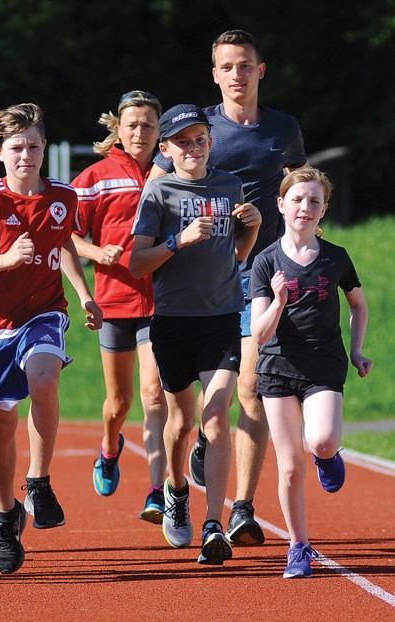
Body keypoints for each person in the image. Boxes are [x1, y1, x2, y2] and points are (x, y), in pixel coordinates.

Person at [148, 29, 307, 546]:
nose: (237, 75)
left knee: (252, 389)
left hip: (266, 272)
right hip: (207, 275)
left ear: (261, 70)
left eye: (246, 65)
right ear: (214, 74)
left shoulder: (284, 128)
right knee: (200, 406)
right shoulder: (199, 128)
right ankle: (202, 451)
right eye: (227, 67)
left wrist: (307, 247)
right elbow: (157, 187)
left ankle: (241, 507)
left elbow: (299, 188)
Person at [0, 103, 102, 574]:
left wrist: (83, 293)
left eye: (33, 146)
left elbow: (66, 243)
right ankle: (5, 516)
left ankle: (38, 481)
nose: (26, 155)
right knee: (0, 427)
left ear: (44, 148)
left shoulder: (65, 197)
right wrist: (4, 261)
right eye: (16, 148)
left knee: (45, 376)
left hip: (44, 313)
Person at [130, 104, 261, 565]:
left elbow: (237, 257)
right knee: (182, 423)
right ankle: (177, 488)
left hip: (223, 317)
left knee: (216, 417)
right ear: (164, 149)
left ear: (210, 143)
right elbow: (136, 263)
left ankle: (213, 525)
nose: (193, 148)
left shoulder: (229, 186)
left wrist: (254, 229)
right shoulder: (157, 193)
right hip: (173, 321)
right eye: (182, 142)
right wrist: (177, 241)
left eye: (200, 139)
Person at [250, 167, 371, 578]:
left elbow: (358, 304)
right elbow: (260, 334)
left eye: (314, 201)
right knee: (288, 466)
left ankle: (328, 456)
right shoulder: (266, 262)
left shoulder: (336, 257)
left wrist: (356, 351)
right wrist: (279, 300)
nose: (306, 207)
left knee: (320, 441)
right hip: (278, 368)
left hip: (324, 364)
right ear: (281, 204)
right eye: (298, 199)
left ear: (324, 211)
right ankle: (299, 546)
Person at [70, 90, 169, 523]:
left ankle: (156, 491)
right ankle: (110, 448)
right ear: (119, 129)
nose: (140, 132)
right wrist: (96, 253)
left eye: (148, 124)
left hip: (163, 302)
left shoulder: (172, 172)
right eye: (132, 124)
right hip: (114, 302)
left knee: (154, 395)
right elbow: (65, 235)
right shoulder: (95, 177)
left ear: (159, 129)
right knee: (119, 403)